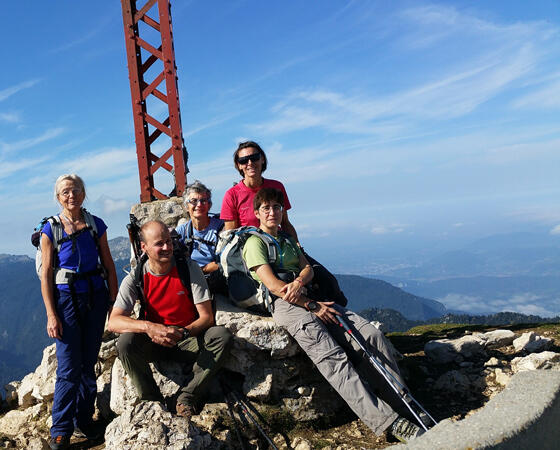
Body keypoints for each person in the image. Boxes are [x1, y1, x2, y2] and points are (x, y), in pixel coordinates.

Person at [242, 188, 424, 443]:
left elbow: (307, 267)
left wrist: (301, 281)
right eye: (266, 208)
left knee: (371, 335)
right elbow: (273, 286)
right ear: (257, 213)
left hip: (308, 295)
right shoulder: (254, 243)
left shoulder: (286, 238)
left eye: (276, 207)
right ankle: (388, 422)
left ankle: (404, 404)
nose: (272, 212)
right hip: (285, 305)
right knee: (332, 357)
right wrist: (312, 305)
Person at [108, 221, 233, 417]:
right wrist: (149, 328)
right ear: (144, 247)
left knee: (221, 336)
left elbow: (207, 317)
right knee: (125, 343)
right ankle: (151, 400)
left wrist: (183, 332)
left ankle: (187, 397)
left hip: (187, 338)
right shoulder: (137, 276)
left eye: (168, 241)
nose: (167, 247)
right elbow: (114, 321)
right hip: (153, 341)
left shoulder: (188, 268)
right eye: (159, 243)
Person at [39, 174, 118, 450]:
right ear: (58, 197)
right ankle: (60, 430)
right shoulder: (51, 229)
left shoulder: (96, 224)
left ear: (83, 194)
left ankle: (83, 420)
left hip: (96, 298)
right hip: (67, 301)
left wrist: (113, 301)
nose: (71, 195)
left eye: (75, 190)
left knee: (88, 363)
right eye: (65, 192)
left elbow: (109, 264)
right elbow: (45, 275)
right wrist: (51, 315)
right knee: (69, 367)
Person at [221, 140, 299, 244]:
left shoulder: (277, 187)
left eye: (254, 158)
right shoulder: (232, 195)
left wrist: (297, 248)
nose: (250, 163)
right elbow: (231, 235)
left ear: (262, 159)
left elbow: (285, 223)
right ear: (239, 165)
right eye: (244, 160)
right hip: (248, 248)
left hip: (278, 245)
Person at [174, 180, 226, 295]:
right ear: (186, 206)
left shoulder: (221, 228)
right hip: (192, 284)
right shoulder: (182, 231)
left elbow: (224, 262)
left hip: (219, 282)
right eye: (193, 201)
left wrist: (199, 271)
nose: (199, 205)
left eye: (203, 201)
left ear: (209, 205)